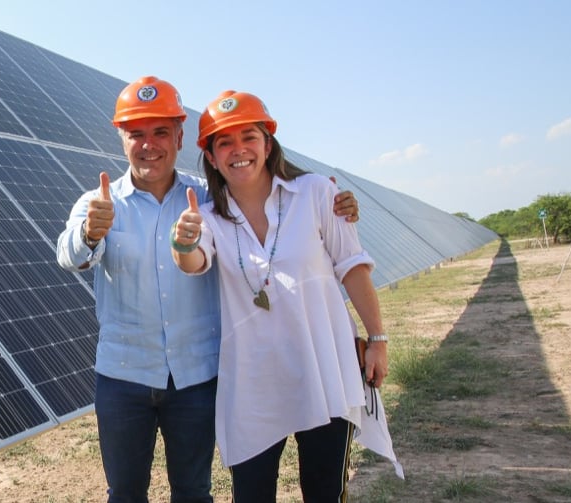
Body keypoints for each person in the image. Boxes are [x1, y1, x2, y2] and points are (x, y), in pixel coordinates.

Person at [56, 76, 360, 503]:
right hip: (123, 377)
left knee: (194, 491)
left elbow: (271, 203)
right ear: (121, 137)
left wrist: (336, 201)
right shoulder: (98, 203)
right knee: (124, 493)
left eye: (161, 131)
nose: (149, 144)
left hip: (196, 378)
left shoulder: (211, 199)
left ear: (180, 136)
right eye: (136, 134)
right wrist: (89, 233)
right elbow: (69, 257)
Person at [170, 90, 401, 502]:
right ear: (210, 156)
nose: (238, 151)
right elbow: (194, 260)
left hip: (323, 367)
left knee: (323, 491)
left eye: (248, 137)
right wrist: (183, 243)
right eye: (224, 142)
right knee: (253, 494)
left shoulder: (315, 193)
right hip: (254, 383)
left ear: (268, 143)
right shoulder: (206, 217)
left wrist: (377, 339)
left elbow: (353, 266)